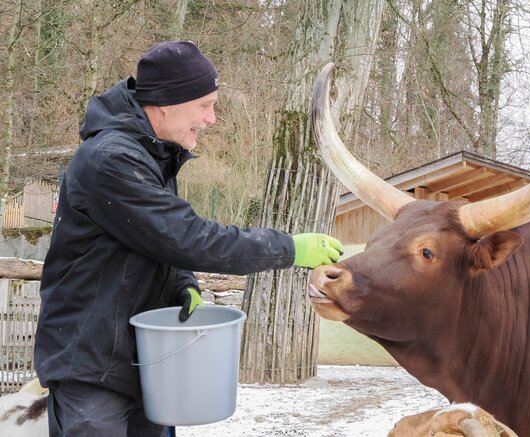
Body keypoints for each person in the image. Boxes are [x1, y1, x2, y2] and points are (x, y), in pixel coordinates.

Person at [34, 40, 343, 437]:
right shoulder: (112, 160)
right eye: (204, 105)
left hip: (141, 359)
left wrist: (182, 283)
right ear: (166, 103)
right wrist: (289, 248)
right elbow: (187, 237)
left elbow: (155, 240)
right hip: (91, 366)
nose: (212, 118)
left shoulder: (152, 154)